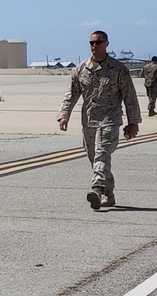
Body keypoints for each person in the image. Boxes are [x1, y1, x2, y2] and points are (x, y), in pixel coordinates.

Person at [57, 31, 142, 210]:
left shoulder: (118, 69)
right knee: (94, 158)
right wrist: (64, 114)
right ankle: (108, 193)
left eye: (98, 42)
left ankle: (96, 189)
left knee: (102, 153)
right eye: (92, 43)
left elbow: (130, 96)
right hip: (88, 120)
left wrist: (133, 122)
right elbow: (71, 93)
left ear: (107, 44)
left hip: (110, 119)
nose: (94, 46)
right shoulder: (80, 69)